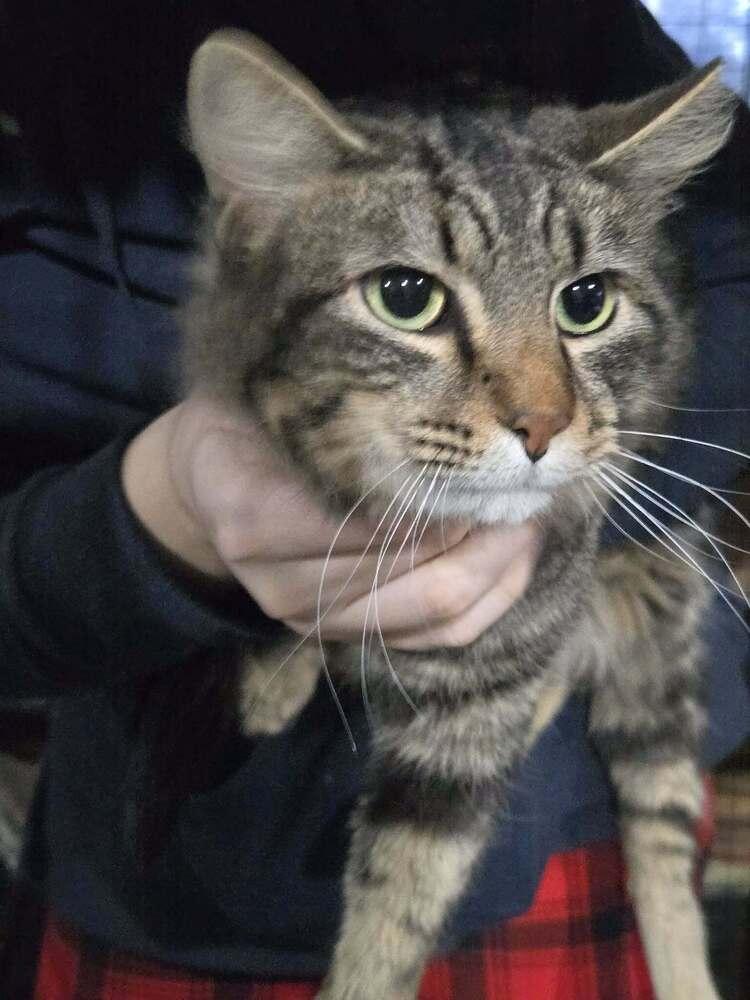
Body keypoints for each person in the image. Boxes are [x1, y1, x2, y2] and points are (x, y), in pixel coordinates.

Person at [0, 1, 748, 997]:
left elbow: (718, 318)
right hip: (160, 876)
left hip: (560, 828)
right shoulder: (58, 71)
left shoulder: (605, 42)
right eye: (411, 296)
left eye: (583, 304)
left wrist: (585, 503)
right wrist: (159, 519)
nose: (535, 415)